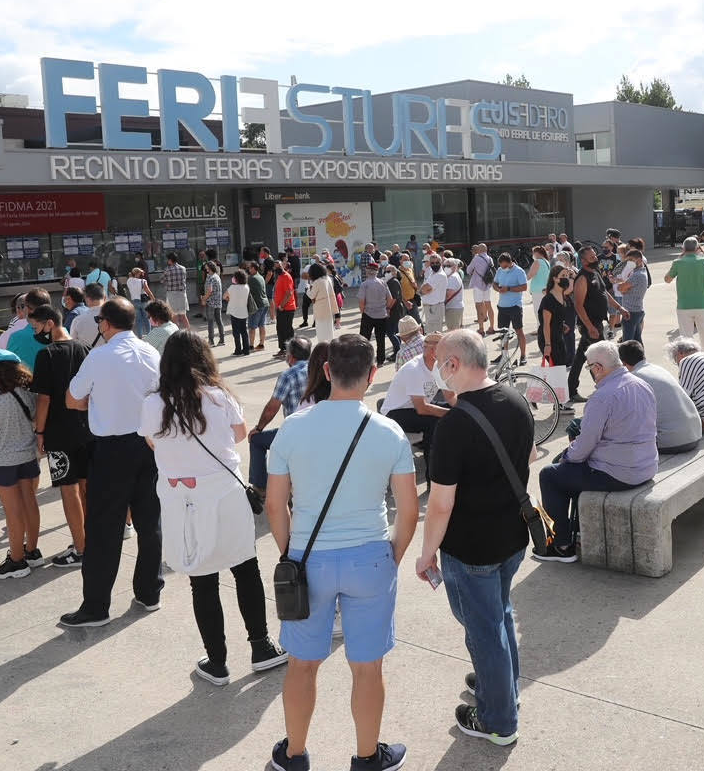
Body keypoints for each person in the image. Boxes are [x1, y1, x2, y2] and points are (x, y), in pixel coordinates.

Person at [265, 334, 418, 771]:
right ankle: (368, 757)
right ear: (372, 376)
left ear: (327, 371)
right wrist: (393, 555)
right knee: (367, 667)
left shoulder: (293, 426)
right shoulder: (389, 431)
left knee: (302, 663)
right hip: (370, 554)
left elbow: (276, 504)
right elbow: (408, 511)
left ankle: (294, 755)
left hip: (309, 557)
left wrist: (290, 553)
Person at [140, 331, 288, 684]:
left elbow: (151, 441)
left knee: (201, 580)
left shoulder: (153, 403)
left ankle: (218, 661)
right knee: (245, 568)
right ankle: (261, 645)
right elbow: (239, 434)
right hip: (224, 494)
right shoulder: (220, 397)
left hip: (181, 500)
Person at [417, 328, 532, 745]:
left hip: (472, 547)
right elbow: (530, 457)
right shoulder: (516, 398)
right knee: (498, 617)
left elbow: (441, 504)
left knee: (485, 629)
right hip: (512, 536)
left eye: (439, 362)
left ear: (454, 365)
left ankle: (499, 719)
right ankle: (502, 687)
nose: (436, 370)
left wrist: (425, 553)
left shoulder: (454, 426)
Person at [58, 297, 163, 628]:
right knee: (150, 522)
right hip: (148, 445)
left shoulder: (99, 356)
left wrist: (96, 401)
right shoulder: (150, 352)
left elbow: (73, 399)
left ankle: (96, 607)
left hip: (112, 449)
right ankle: (149, 592)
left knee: (104, 528)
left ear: (105, 324)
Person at [535, 341, 658, 563]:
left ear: (598, 367)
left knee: (550, 474)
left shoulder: (603, 396)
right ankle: (576, 529)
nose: (590, 372)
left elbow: (583, 448)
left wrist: (566, 455)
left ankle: (560, 545)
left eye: (589, 367)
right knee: (566, 470)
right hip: (646, 466)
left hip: (619, 473)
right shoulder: (641, 384)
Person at [28, 303, 91, 568]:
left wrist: (39, 431)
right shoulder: (84, 349)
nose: (36, 332)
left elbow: (43, 398)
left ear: (49, 323)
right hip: (87, 428)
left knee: (69, 489)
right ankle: (89, 540)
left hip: (58, 430)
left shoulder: (47, 355)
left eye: (36, 326)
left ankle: (80, 548)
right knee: (86, 487)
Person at [0, 348, 43, 579]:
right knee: (30, 503)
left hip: (1, 460)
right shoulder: (27, 393)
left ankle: (16, 560)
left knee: (12, 511)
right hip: (27, 455)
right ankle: (32, 551)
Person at [246, 337, 311, 503]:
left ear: (291, 356)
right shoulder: (318, 370)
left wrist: (258, 428)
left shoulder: (288, 375)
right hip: (316, 430)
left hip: (294, 433)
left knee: (256, 440)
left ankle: (260, 488)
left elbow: (272, 408)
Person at [619, 340, 703, 453]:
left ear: (623, 363)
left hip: (673, 441)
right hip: (695, 434)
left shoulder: (634, 379)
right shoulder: (657, 369)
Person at [379, 332, 448, 464]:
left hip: (415, 406)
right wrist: (449, 413)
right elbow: (421, 408)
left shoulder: (439, 366)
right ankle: (432, 472)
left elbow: (450, 395)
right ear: (434, 351)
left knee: (455, 410)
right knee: (434, 423)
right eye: (446, 350)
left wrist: (461, 408)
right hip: (395, 413)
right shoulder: (414, 369)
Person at [568, 244, 615, 403]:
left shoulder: (595, 272)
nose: (596, 258)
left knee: (581, 357)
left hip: (597, 323)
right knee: (599, 357)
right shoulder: (582, 278)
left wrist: (619, 307)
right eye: (592, 257)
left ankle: (571, 389)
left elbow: (604, 292)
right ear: (583, 260)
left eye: (595, 255)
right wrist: (589, 327)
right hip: (590, 325)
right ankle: (603, 387)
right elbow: (578, 305)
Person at [664, 236, 704, 340]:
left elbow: (667, 279)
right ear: (697, 248)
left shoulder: (677, 263)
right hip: (702, 305)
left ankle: (688, 356)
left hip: (684, 306)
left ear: (683, 249)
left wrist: (679, 258)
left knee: (686, 340)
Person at [491, 252, 530, 365]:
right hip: (502, 306)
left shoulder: (519, 271)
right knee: (503, 333)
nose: (503, 268)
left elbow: (524, 287)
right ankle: (504, 355)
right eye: (501, 266)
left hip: (515, 306)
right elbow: (494, 283)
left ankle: (523, 356)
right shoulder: (499, 270)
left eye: (505, 266)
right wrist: (497, 289)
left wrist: (508, 288)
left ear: (510, 262)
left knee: (519, 331)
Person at [537, 263, 575, 372]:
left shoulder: (562, 294)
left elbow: (555, 317)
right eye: (563, 276)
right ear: (555, 279)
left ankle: (559, 389)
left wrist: (561, 325)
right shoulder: (548, 299)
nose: (565, 278)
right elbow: (546, 325)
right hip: (548, 339)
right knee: (557, 371)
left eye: (566, 276)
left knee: (560, 369)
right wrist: (548, 345)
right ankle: (555, 389)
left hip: (558, 336)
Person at [357, 263, 395, 366]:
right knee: (380, 339)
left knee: (364, 339)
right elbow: (390, 299)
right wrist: (386, 308)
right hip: (382, 314)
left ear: (367, 271)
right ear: (377, 271)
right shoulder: (383, 283)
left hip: (368, 314)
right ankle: (380, 361)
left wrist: (363, 311)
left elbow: (361, 301)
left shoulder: (364, 284)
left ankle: (364, 360)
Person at [616, 248, 649, 344]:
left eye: (630, 260)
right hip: (636, 310)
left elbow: (620, 289)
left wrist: (623, 288)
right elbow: (623, 288)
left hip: (631, 312)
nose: (628, 263)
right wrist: (624, 287)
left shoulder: (637, 275)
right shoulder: (639, 272)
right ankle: (640, 358)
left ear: (639, 260)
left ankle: (628, 358)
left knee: (627, 343)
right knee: (637, 340)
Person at [307, 262, 338, 343]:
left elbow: (311, 295)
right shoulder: (328, 279)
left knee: (321, 333)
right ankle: (330, 349)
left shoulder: (317, 282)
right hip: (329, 307)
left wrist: (307, 288)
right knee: (329, 330)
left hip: (320, 309)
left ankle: (323, 350)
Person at [273, 260, 298, 359]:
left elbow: (289, 293)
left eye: (278, 266)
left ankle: (291, 351)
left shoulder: (286, 276)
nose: (276, 268)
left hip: (287, 308)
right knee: (280, 329)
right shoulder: (279, 276)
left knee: (287, 330)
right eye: (275, 267)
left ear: (282, 266)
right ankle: (283, 349)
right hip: (281, 308)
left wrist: (281, 306)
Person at [224, 270, 253, 355]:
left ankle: (238, 350)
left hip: (234, 312)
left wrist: (230, 300)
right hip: (244, 312)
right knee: (244, 331)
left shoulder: (232, 287)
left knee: (236, 333)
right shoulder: (247, 287)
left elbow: (224, 296)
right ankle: (246, 350)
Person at [161, 252, 191, 330]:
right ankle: (189, 330)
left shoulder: (167, 270)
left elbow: (162, 280)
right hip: (182, 294)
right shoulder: (183, 268)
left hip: (171, 294)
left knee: (174, 315)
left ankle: (176, 332)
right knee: (183, 315)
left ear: (170, 260)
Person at [71, 282, 105, 347]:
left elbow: (73, 345)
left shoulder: (77, 320)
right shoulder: (114, 317)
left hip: (88, 356)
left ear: (86, 298)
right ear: (104, 297)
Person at [200, 261, 225, 346]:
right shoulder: (216, 276)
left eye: (206, 267)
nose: (205, 268)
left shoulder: (210, 277)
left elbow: (209, 291)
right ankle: (222, 340)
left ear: (209, 268)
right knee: (219, 320)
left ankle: (211, 341)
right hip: (218, 302)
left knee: (210, 322)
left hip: (211, 302)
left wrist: (204, 299)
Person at [246, 261, 269, 351]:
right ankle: (261, 344)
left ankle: (250, 346)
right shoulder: (261, 277)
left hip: (257, 305)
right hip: (265, 303)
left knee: (252, 327)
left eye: (250, 268)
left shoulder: (251, 278)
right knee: (261, 325)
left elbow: (246, 289)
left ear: (254, 268)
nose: (248, 269)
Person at [126, 267, 155, 337]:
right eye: (141, 273)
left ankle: (140, 336)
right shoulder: (143, 281)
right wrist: (153, 299)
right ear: (137, 273)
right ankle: (149, 335)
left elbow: (130, 275)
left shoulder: (129, 281)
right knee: (146, 319)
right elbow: (148, 291)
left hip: (134, 302)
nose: (142, 274)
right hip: (143, 302)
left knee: (138, 320)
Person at [441, 258, 465, 331]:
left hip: (453, 308)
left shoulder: (452, 277)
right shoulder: (453, 276)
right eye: (445, 265)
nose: (446, 267)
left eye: (449, 265)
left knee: (453, 332)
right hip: (454, 307)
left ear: (455, 267)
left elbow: (448, 294)